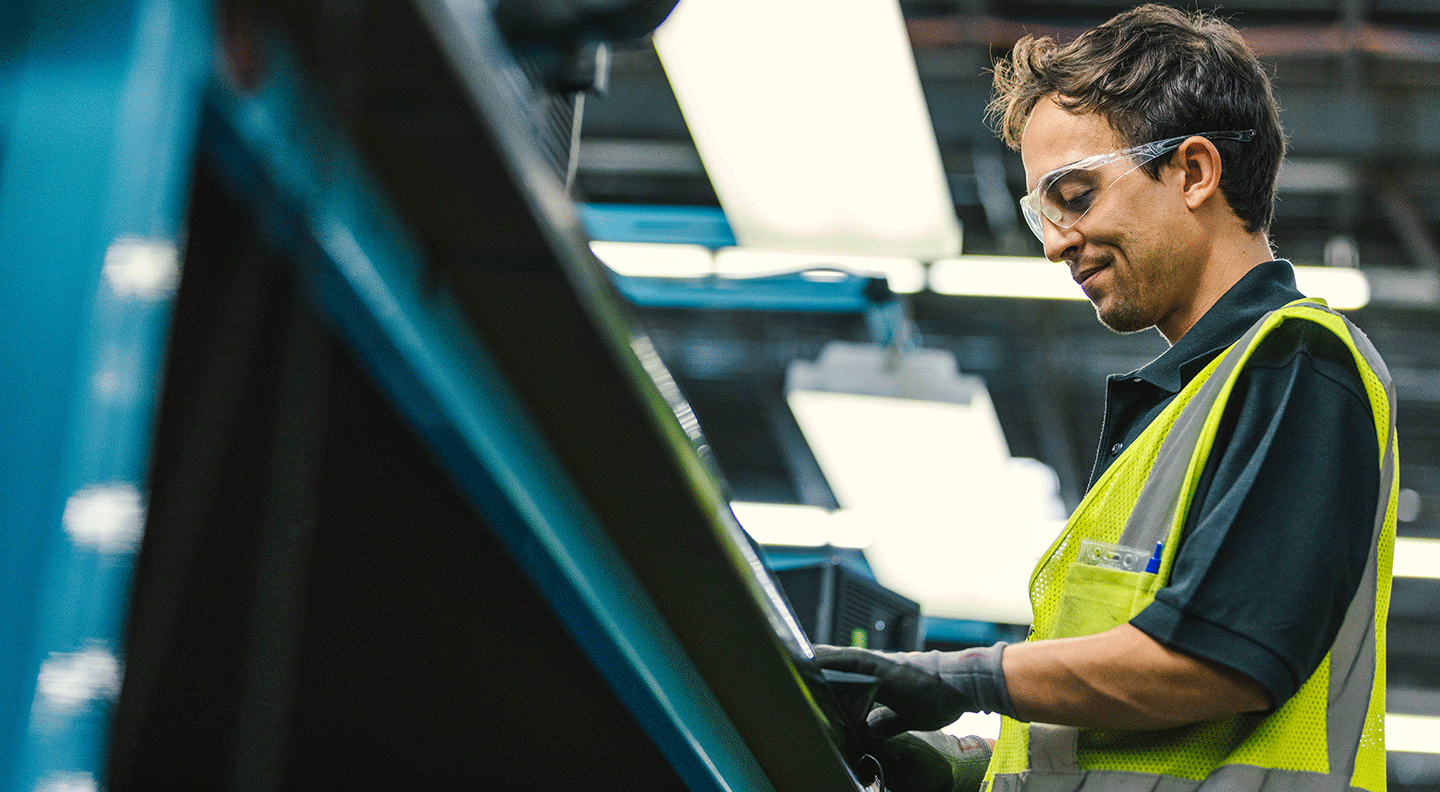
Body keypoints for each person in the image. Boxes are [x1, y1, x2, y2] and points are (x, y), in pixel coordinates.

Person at [816, 6, 1398, 792]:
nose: (1054, 240)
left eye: (1077, 195)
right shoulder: (1186, 411)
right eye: (1042, 213)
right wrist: (967, 773)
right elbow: (1127, 748)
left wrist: (964, 678)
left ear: (1193, 171)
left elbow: (1219, 657)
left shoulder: (1296, 362)